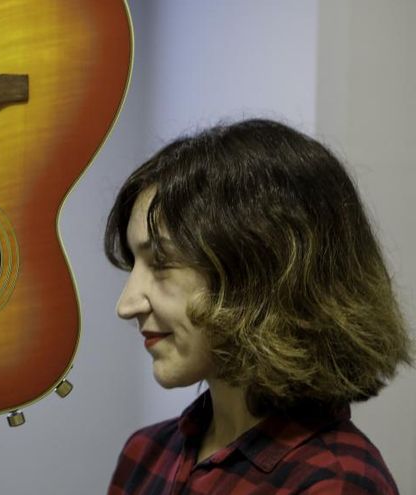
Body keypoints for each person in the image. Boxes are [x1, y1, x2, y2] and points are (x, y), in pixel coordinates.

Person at [104, 119, 412, 494]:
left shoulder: (335, 481)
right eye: (134, 263)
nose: (126, 304)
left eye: (162, 262)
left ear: (261, 277)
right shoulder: (146, 454)